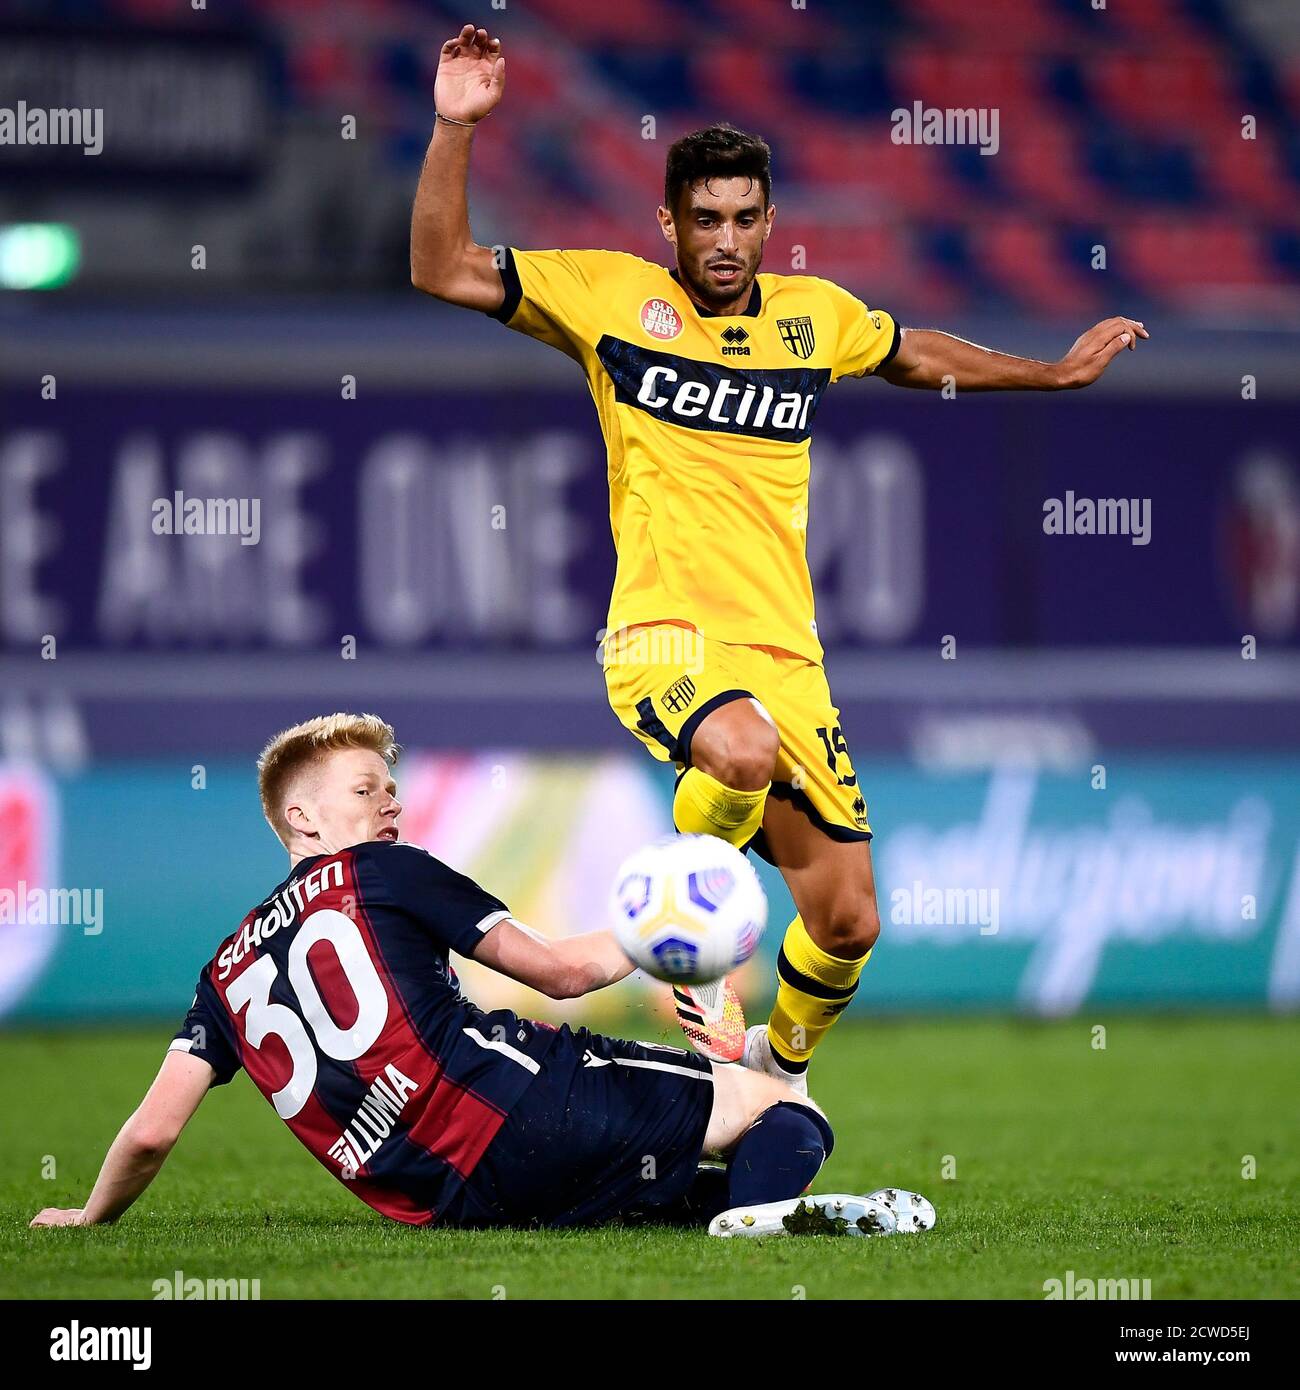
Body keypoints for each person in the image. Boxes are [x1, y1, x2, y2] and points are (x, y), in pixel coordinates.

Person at [409, 24, 1149, 1088]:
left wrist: (1051, 374)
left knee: (849, 920)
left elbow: (911, 351)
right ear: (666, 220)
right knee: (741, 754)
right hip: (662, 634)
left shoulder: (813, 319)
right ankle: (684, 932)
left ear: (770, 224)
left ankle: (773, 1064)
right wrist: (454, 126)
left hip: (787, 656)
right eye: (703, 218)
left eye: (744, 219)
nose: (724, 239)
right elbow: (440, 267)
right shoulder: (608, 300)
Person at [29, 713, 909, 1238]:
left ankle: (727, 1207)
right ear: (300, 815)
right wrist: (664, 928)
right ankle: (757, 1230)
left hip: (445, 1202)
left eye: (391, 788)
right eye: (368, 788)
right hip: (522, 1107)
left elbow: (149, 1134)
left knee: (664, 1169)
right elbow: (563, 974)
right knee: (786, 1109)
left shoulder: (222, 973)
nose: (392, 803)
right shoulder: (389, 871)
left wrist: (88, 1218)